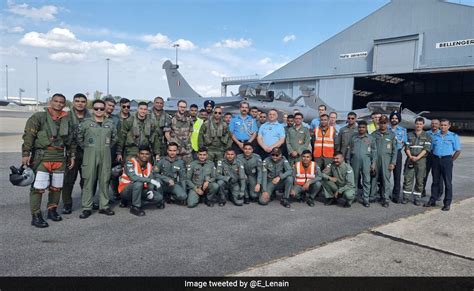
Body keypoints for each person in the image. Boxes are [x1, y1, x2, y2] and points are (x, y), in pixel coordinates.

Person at [22, 93, 76, 228]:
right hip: (42, 156)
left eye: (61, 102)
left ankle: (52, 210)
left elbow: (71, 140)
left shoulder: (67, 119)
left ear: (64, 104)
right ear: (51, 102)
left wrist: (72, 156)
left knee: (57, 187)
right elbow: (29, 135)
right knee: (38, 187)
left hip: (60, 157)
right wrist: (26, 153)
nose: (58, 104)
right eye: (56, 101)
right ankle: (36, 215)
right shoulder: (38, 117)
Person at [77, 100, 117, 219]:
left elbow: (114, 138)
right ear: (92, 109)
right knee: (88, 181)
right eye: (96, 108)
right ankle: (87, 207)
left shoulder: (110, 123)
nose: (99, 111)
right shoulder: (85, 123)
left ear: (105, 110)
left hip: (105, 154)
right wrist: (89, 148)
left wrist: (105, 147)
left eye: (101, 108)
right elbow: (79, 138)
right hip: (90, 155)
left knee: (105, 180)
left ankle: (104, 206)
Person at [61, 93, 91, 214]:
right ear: (73, 102)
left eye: (83, 101)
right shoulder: (66, 117)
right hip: (71, 153)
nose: (80, 103)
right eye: (77, 101)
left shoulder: (90, 117)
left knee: (87, 179)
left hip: (86, 153)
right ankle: (67, 203)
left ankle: (86, 202)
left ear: (86, 103)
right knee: (69, 180)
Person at [424, 119, 461, 211]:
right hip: (436, 159)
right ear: (439, 126)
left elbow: (458, 150)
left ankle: (447, 203)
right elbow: (431, 149)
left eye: (445, 125)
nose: (443, 127)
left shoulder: (453, 136)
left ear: (449, 126)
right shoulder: (435, 136)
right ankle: (433, 200)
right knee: (435, 181)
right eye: (442, 125)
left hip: (447, 160)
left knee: (448, 183)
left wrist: (451, 160)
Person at [118, 145, 164, 216]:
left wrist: (150, 190)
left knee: (159, 197)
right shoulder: (130, 163)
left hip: (141, 190)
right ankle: (135, 207)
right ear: (138, 154)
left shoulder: (149, 165)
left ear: (149, 155)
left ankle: (136, 200)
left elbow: (151, 178)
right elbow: (133, 177)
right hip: (125, 190)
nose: (144, 156)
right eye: (142, 154)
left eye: (146, 154)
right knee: (138, 183)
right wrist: (150, 180)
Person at [402, 117, 431, 206]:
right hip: (410, 160)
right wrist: (411, 156)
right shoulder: (409, 135)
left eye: (420, 124)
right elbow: (407, 147)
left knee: (420, 180)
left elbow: (426, 149)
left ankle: (417, 198)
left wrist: (417, 157)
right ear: (415, 124)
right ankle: (406, 197)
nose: (418, 125)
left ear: (423, 125)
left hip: (421, 161)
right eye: (417, 124)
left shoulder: (427, 136)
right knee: (408, 179)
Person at [348, 120, 376, 207]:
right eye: (360, 127)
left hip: (366, 162)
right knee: (354, 179)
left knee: (366, 180)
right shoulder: (353, 137)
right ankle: (354, 196)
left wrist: (373, 163)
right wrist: (348, 162)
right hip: (355, 161)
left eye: (363, 127)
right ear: (358, 128)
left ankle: (366, 198)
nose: (361, 129)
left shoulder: (370, 138)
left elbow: (374, 151)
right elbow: (349, 150)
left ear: (366, 128)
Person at [370, 115, 397, 207]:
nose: (382, 125)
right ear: (378, 123)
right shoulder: (374, 134)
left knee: (386, 180)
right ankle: (372, 196)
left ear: (387, 123)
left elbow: (394, 150)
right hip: (376, 160)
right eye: (381, 123)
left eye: (384, 123)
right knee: (374, 178)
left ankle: (385, 198)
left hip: (386, 160)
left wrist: (393, 162)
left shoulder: (391, 135)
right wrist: (371, 162)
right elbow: (370, 148)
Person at [165, 100, 193, 165]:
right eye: (181, 107)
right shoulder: (171, 119)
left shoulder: (189, 120)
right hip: (175, 151)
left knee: (188, 169)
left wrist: (186, 140)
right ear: (177, 107)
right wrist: (172, 143)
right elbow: (167, 134)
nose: (182, 108)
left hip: (186, 150)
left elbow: (190, 132)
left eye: (184, 107)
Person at [389, 110, 407, 203]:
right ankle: (384, 194)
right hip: (387, 154)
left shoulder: (403, 130)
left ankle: (396, 196)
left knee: (397, 175)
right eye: (392, 118)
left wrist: (397, 149)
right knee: (385, 175)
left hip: (398, 153)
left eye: (396, 118)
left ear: (398, 119)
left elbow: (404, 143)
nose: (394, 119)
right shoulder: (386, 129)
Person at [423, 119, 443, 198]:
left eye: (436, 124)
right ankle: (421, 191)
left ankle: (438, 193)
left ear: (439, 125)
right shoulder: (426, 133)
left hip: (437, 156)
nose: (434, 125)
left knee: (437, 176)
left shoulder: (441, 134)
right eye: (432, 123)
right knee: (423, 175)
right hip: (427, 155)